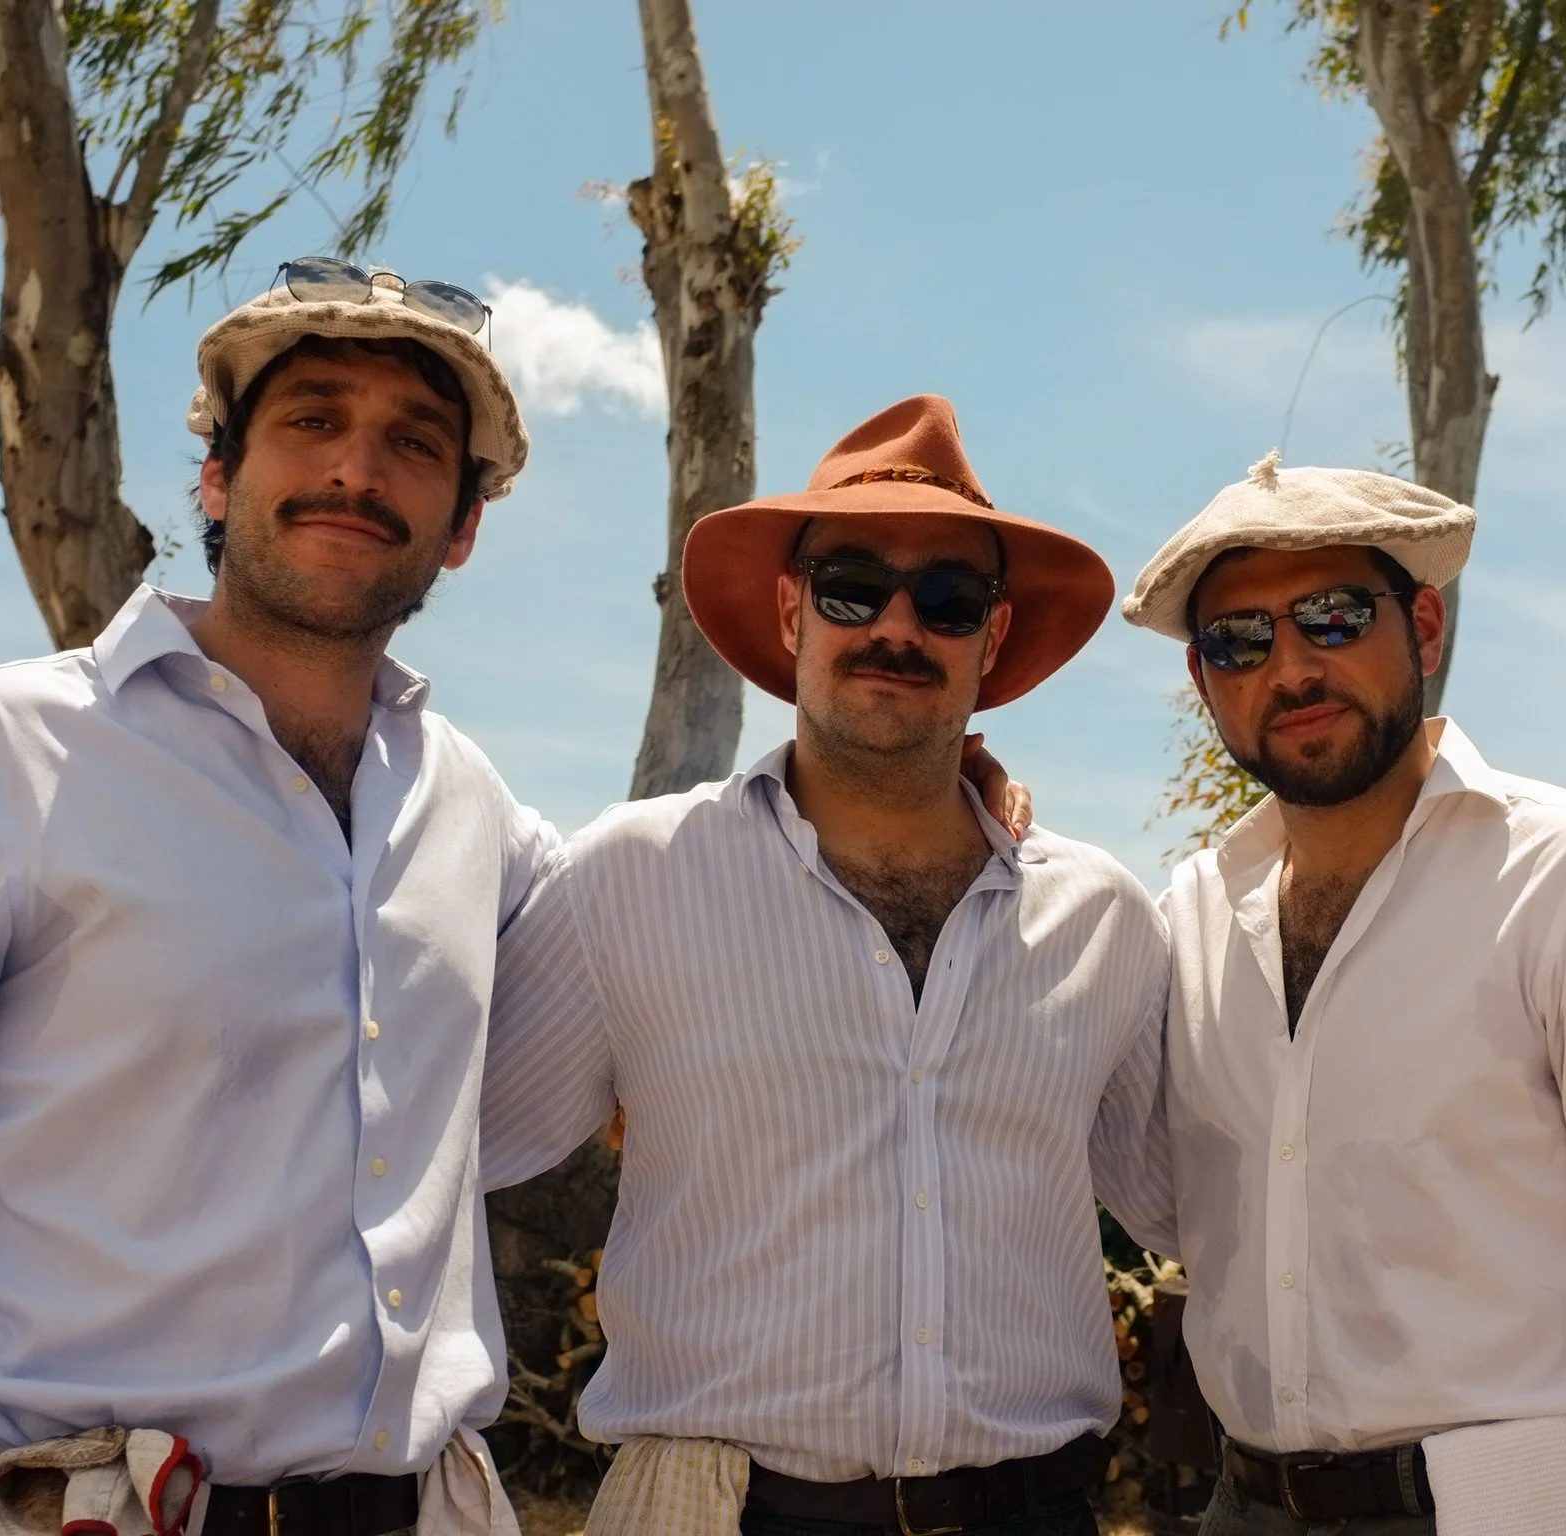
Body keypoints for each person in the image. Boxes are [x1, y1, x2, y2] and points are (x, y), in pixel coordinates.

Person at [0, 258, 545, 1536]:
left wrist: (942, 786)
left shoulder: (471, 805)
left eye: (414, 442)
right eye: (312, 421)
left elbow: (659, 906)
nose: (356, 469)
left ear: (460, 526)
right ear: (220, 479)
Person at [477, 396, 1176, 1536]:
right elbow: (438, 1155)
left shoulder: (1105, 920)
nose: (896, 626)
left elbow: (1202, 1201)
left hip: (1029, 1511)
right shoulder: (630, 882)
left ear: (990, 638)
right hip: (719, 1513)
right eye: (854, 584)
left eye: (946, 598)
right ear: (792, 610)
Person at [1119, 455, 1566, 1536]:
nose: (1289, 667)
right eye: (1237, 640)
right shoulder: (1193, 916)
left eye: (1333, 616)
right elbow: (1189, 1208)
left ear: (1425, 630)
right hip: (1244, 1508)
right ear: (1207, 682)